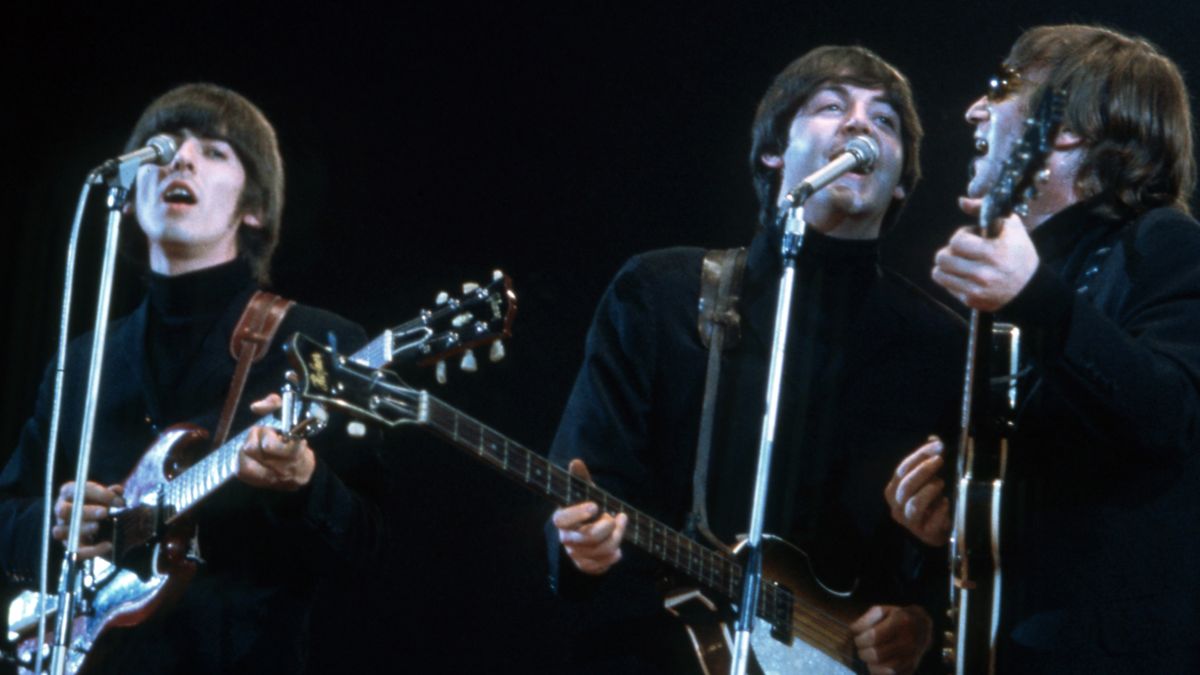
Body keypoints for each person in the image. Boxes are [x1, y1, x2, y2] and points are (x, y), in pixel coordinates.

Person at [547, 46, 964, 675]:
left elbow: (953, 551)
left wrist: (922, 620)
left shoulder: (939, 345)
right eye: (831, 106)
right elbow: (588, 481)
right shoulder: (662, 293)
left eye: (885, 122)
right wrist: (577, 544)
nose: (860, 125)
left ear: (902, 178)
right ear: (773, 150)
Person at [0, 83, 385, 674]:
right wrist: (52, 525)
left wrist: (306, 482)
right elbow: (8, 512)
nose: (179, 158)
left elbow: (370, 544)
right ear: (128, 199)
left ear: (254, 208)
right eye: (164, 145)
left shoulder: (312, 345)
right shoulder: (83, 361)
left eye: (214, 151)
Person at [886, 25, 1200, 673]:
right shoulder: (1017, 286)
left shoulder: (1164, 244)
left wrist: (1034, 296)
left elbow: (1169, 414)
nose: (974, 108)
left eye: (1002, 87)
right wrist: (949, 512)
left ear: (1068, 129)